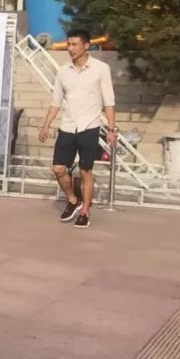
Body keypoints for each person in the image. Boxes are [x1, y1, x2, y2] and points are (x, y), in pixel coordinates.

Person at [37, 29, 116, 229]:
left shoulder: (101, 69)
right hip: (68, 126)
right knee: (58, 168)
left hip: (90, 126)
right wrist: (46, 125)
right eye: (68, 44)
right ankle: (73, 199)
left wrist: (111, 129)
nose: (70, 49)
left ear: (86, 46)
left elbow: (109, 101)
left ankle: (85, 212)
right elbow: (56, 101)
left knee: (85, 171)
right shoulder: (63, 71)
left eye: (74, 45)